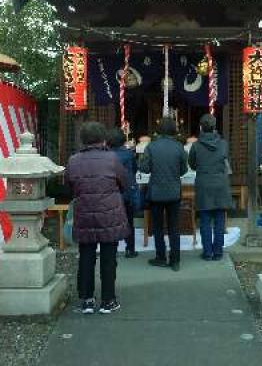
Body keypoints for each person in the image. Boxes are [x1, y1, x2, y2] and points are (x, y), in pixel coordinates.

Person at [65, 121, 130, 314]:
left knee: (86, 256)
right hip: (109, 214)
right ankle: (108, 300)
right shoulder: (112, 159)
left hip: (84, 213)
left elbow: (68, 185)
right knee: (109, 258)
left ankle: (86, 299)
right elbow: (124, 182)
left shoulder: (74, 160)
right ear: (103, 139)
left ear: (83, 140)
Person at [139, 117, 188, 271]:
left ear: (159, 130)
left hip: (156, 192)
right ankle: (175, 260)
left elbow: (145, 169)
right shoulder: (179, 147)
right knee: (174, 227)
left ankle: (161, 256)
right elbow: (184, 170)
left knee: (158, 227)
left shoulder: (151, 147)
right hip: (174, 191)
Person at [188, 114, 233, 261]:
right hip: (220, 184)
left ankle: (207, 252)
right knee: (220, 219)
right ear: (214, 128)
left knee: (205, 220)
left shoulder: (195, 146)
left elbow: (192, 165)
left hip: (204, 184)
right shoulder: (223, 144)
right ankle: (218, 252)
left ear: (201, 127)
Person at [107, 127, 139, 258]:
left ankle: (111, 249)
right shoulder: (129, 154)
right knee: (128, 221)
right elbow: (134, 170)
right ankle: (130, 249)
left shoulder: (106, 155)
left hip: (111, 193)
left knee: (111, 221)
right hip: (126, 192)